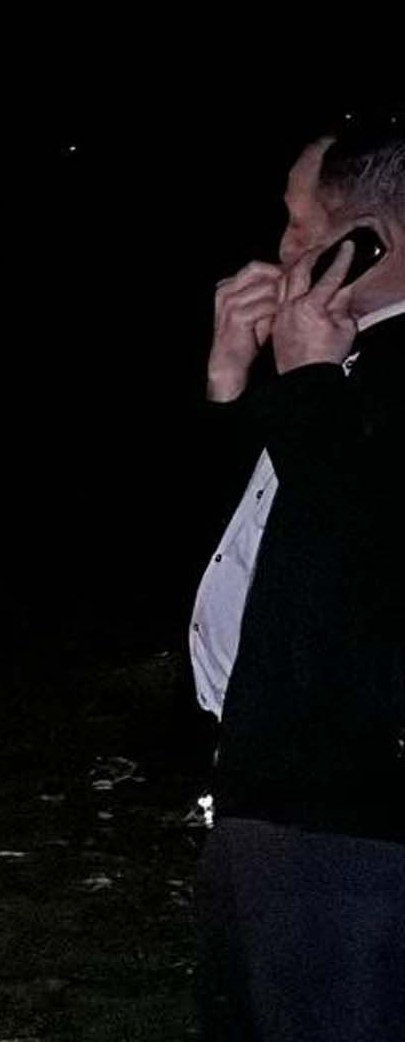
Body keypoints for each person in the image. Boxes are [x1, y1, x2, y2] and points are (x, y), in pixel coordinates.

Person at [194, 122, 405, 1040]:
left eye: (297, 223)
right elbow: (248, 543)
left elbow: (376, 568)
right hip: (265, 793)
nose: (281, 248)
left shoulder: (362, 379)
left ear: (373, 241)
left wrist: (313, 383)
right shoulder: (331, 363)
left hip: (356, 823)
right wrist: (231, 383)